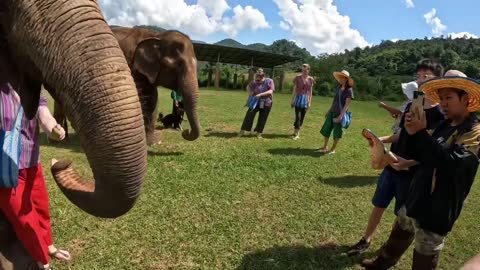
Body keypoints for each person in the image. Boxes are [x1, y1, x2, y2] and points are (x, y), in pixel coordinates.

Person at [361, 71, 480, 269]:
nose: (443, 103)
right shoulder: (444, 124)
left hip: (439, 207)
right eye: (441, 98)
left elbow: (453, 165)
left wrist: (421, 133)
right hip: (417, 193)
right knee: (400, 231)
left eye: (448, 97)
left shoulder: (474, 132)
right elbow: (426, 153)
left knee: (425, 255)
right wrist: (410, 147)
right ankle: (381, 263)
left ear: (466, 99)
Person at [347, 59, 445, 257]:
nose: (420, 81)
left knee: (402, 215)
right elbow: (401, 134)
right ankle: (366, 239)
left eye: (426, 77)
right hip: (390, 164)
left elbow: (435, 150)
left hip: (411, 174)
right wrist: (379, 140)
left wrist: (411, 163)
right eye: (418, 76)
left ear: (437, 81)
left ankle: (390, 248)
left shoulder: (440, 114)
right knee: (379, 204)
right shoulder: (411, 105)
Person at [0, 83, 70, 270]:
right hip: (6, 166)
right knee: (24, 218)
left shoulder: (27, 78)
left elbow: (40, 104)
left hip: (32, 158)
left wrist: (50, 125)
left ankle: (49, 245)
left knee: (40, 206)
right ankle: (42, 260)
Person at [317, 70, 353, 154]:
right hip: (332, 112)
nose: (339, 79)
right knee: (326, 129)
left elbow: (347, 105)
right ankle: (325, 146)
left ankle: (333, 149)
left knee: (337, 132)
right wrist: (329, 111)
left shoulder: (349, 90)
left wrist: (341, 115)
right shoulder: (338, 88)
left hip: (339, 114)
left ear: (346, 79)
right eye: (339, 77)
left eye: (341, 77)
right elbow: (335, 101)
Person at [238, 68, 275, 139]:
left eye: (258, 79)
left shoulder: (269, 81)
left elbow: (270, 91)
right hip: (255, 102)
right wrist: (250, 92)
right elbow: (248, 87)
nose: (257, 81)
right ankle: (242, 131)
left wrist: (260, 94)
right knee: (249, 114)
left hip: (266, 102)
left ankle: (259, 133)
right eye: (256, 79)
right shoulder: (254, 82)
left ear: (262, 77)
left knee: (263, 117)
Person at [290, 63, 315, 140]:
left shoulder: (311, 79)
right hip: (298, 99)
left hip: (305, 99)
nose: (304, 71)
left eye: (305, 70)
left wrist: (309, 102)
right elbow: (294, 90)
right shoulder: (297, 78)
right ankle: (297, 134)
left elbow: (310, 92)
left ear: (308, 70)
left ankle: (295, 130)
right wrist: (292, 100)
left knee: (302, 117)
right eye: (303, 70)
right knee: (298, 117)